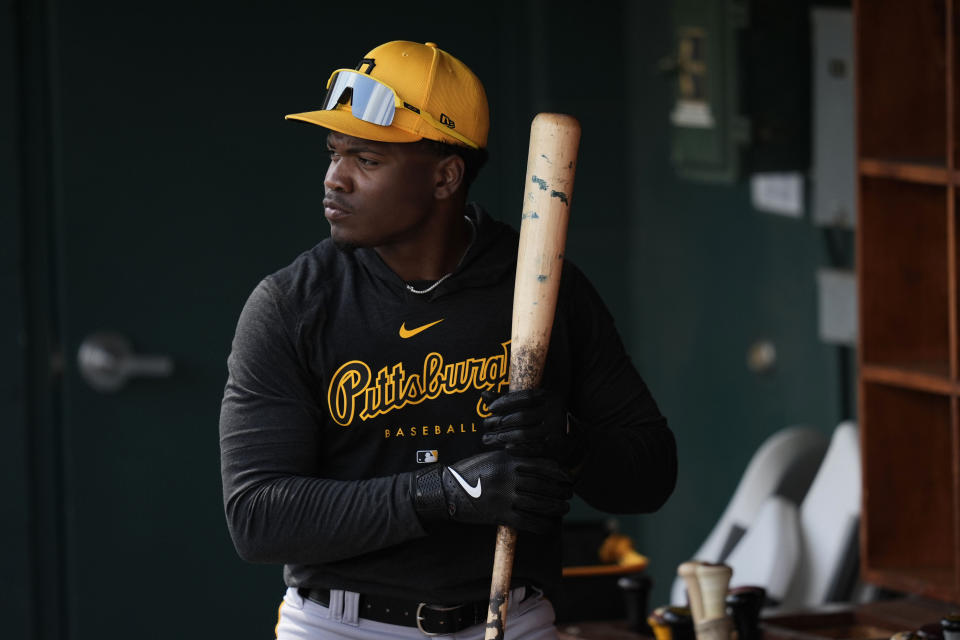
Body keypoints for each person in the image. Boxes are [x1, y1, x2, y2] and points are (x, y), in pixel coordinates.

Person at [219, 40, 677, 640]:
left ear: (445, 176)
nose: (335, 178)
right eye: (334, 152)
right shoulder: (292, 304)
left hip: (507, 616)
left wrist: (570, 443)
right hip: (343, 624)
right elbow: (259, 518)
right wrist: (444, 494)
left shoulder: (540, 285)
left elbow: (652, 475)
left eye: (367, 159)